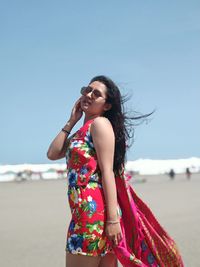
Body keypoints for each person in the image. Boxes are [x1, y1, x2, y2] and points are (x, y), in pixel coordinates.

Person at [47, 75, 184, 267]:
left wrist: (112, 221)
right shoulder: (82, 130)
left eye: (96, 94)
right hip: (87, 215)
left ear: (107, 106)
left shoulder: (99, 124)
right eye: (87, 90)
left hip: (92, 216)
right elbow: (52, 153)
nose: (89, 95)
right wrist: (71, 121)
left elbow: (108, 172)